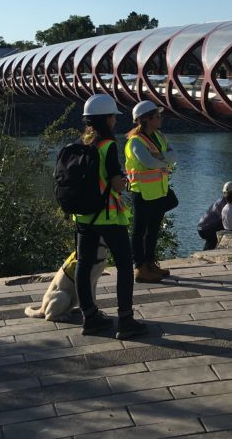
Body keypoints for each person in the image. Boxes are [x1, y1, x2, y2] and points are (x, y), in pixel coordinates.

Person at [73, 94, 147, 339]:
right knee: (125, 265)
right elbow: (116, 184)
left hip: (83, 217)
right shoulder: (108, 145)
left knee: (83, 266)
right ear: (105, 119)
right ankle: (126, 321)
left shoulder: (82, 142)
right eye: (113, 117)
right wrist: (126, 181)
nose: (116, 120)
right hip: (108, 217)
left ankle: (90, 317)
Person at [125, 100, 177, 284]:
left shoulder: (159, 136)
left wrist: (160, 158)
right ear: (146, 119)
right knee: (139, 231)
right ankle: (140, 268)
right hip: (143, 193)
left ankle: (150, 263)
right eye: (157, 116)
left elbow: (174, 156)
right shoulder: (135, 142)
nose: (160, 118)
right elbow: (149, 162)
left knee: (153, 230)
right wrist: (164, 159)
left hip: (159, 192)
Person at [197, 181, 232, 250]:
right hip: (205, 229)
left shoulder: (222, 201)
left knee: (212, 240)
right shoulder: (223, 204)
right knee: (228, 228)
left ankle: (207, 251)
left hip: (203, 228)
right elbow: (226, 220)